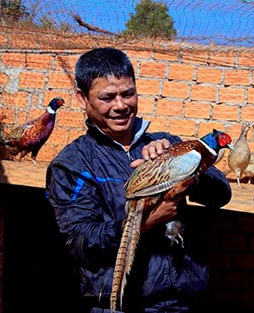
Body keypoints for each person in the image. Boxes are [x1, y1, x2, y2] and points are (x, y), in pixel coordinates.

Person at [45, 47, 232, 313]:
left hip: (180, 303)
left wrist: (179, 166)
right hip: (119, 305)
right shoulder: (73, 164)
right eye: (107, 97)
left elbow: (221, 193)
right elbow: (80, 242)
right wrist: (145, 222)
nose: (120, 106)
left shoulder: (168, 145)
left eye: (128, 94)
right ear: (82, 99)